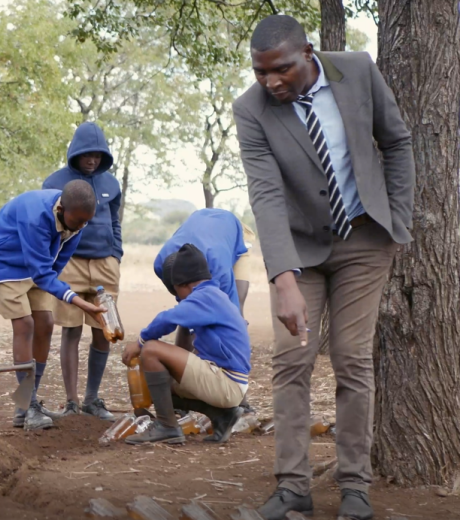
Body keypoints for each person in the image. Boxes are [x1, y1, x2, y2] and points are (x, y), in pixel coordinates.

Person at [233, 15, 414, 520]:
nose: (272, 82)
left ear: (308, 53)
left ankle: (355, 485)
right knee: (292, 359)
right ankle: (293, 487)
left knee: (352, 359)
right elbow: (266, 196)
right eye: (260, 72)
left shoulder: (356, 71)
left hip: (365, 239)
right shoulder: (250, 111)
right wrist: (282, 278)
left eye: (282, 70)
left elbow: (397, 142)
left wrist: (396, 219)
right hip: (298, 251)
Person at [0, 180, 103, 431]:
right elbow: (41, 272)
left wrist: (56, 286)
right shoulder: (35, 218)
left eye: (85, 222)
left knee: (46, 322)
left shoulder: (77, 219)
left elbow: (57, 263)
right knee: (25, 324)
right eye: (78, 221)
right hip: (5, 259)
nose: (81, 226)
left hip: (38, 265)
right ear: (61, 210)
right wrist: (77, 301)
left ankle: (26, 403)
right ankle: (29, 405)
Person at [121, 244, 250, 445]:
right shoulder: (214, 295)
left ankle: (167, 427)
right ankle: (221, 415)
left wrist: (140, 341)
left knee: (151, 350)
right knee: (158, 382)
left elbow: (168, 319)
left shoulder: (204, 297)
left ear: (182, 285)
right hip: (230, 383)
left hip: (227, 383)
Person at [42, 122, 121, 422]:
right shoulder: (54, 182)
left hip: (105, 264)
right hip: (69, 263)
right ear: (75, 152)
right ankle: (72, 401)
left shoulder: (112, 184)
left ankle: (92, 398)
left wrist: (117, 254)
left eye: (98, 155)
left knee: (106, 330)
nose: (92, 160)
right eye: (87, 154)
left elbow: (115, 221)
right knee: (71, 330)